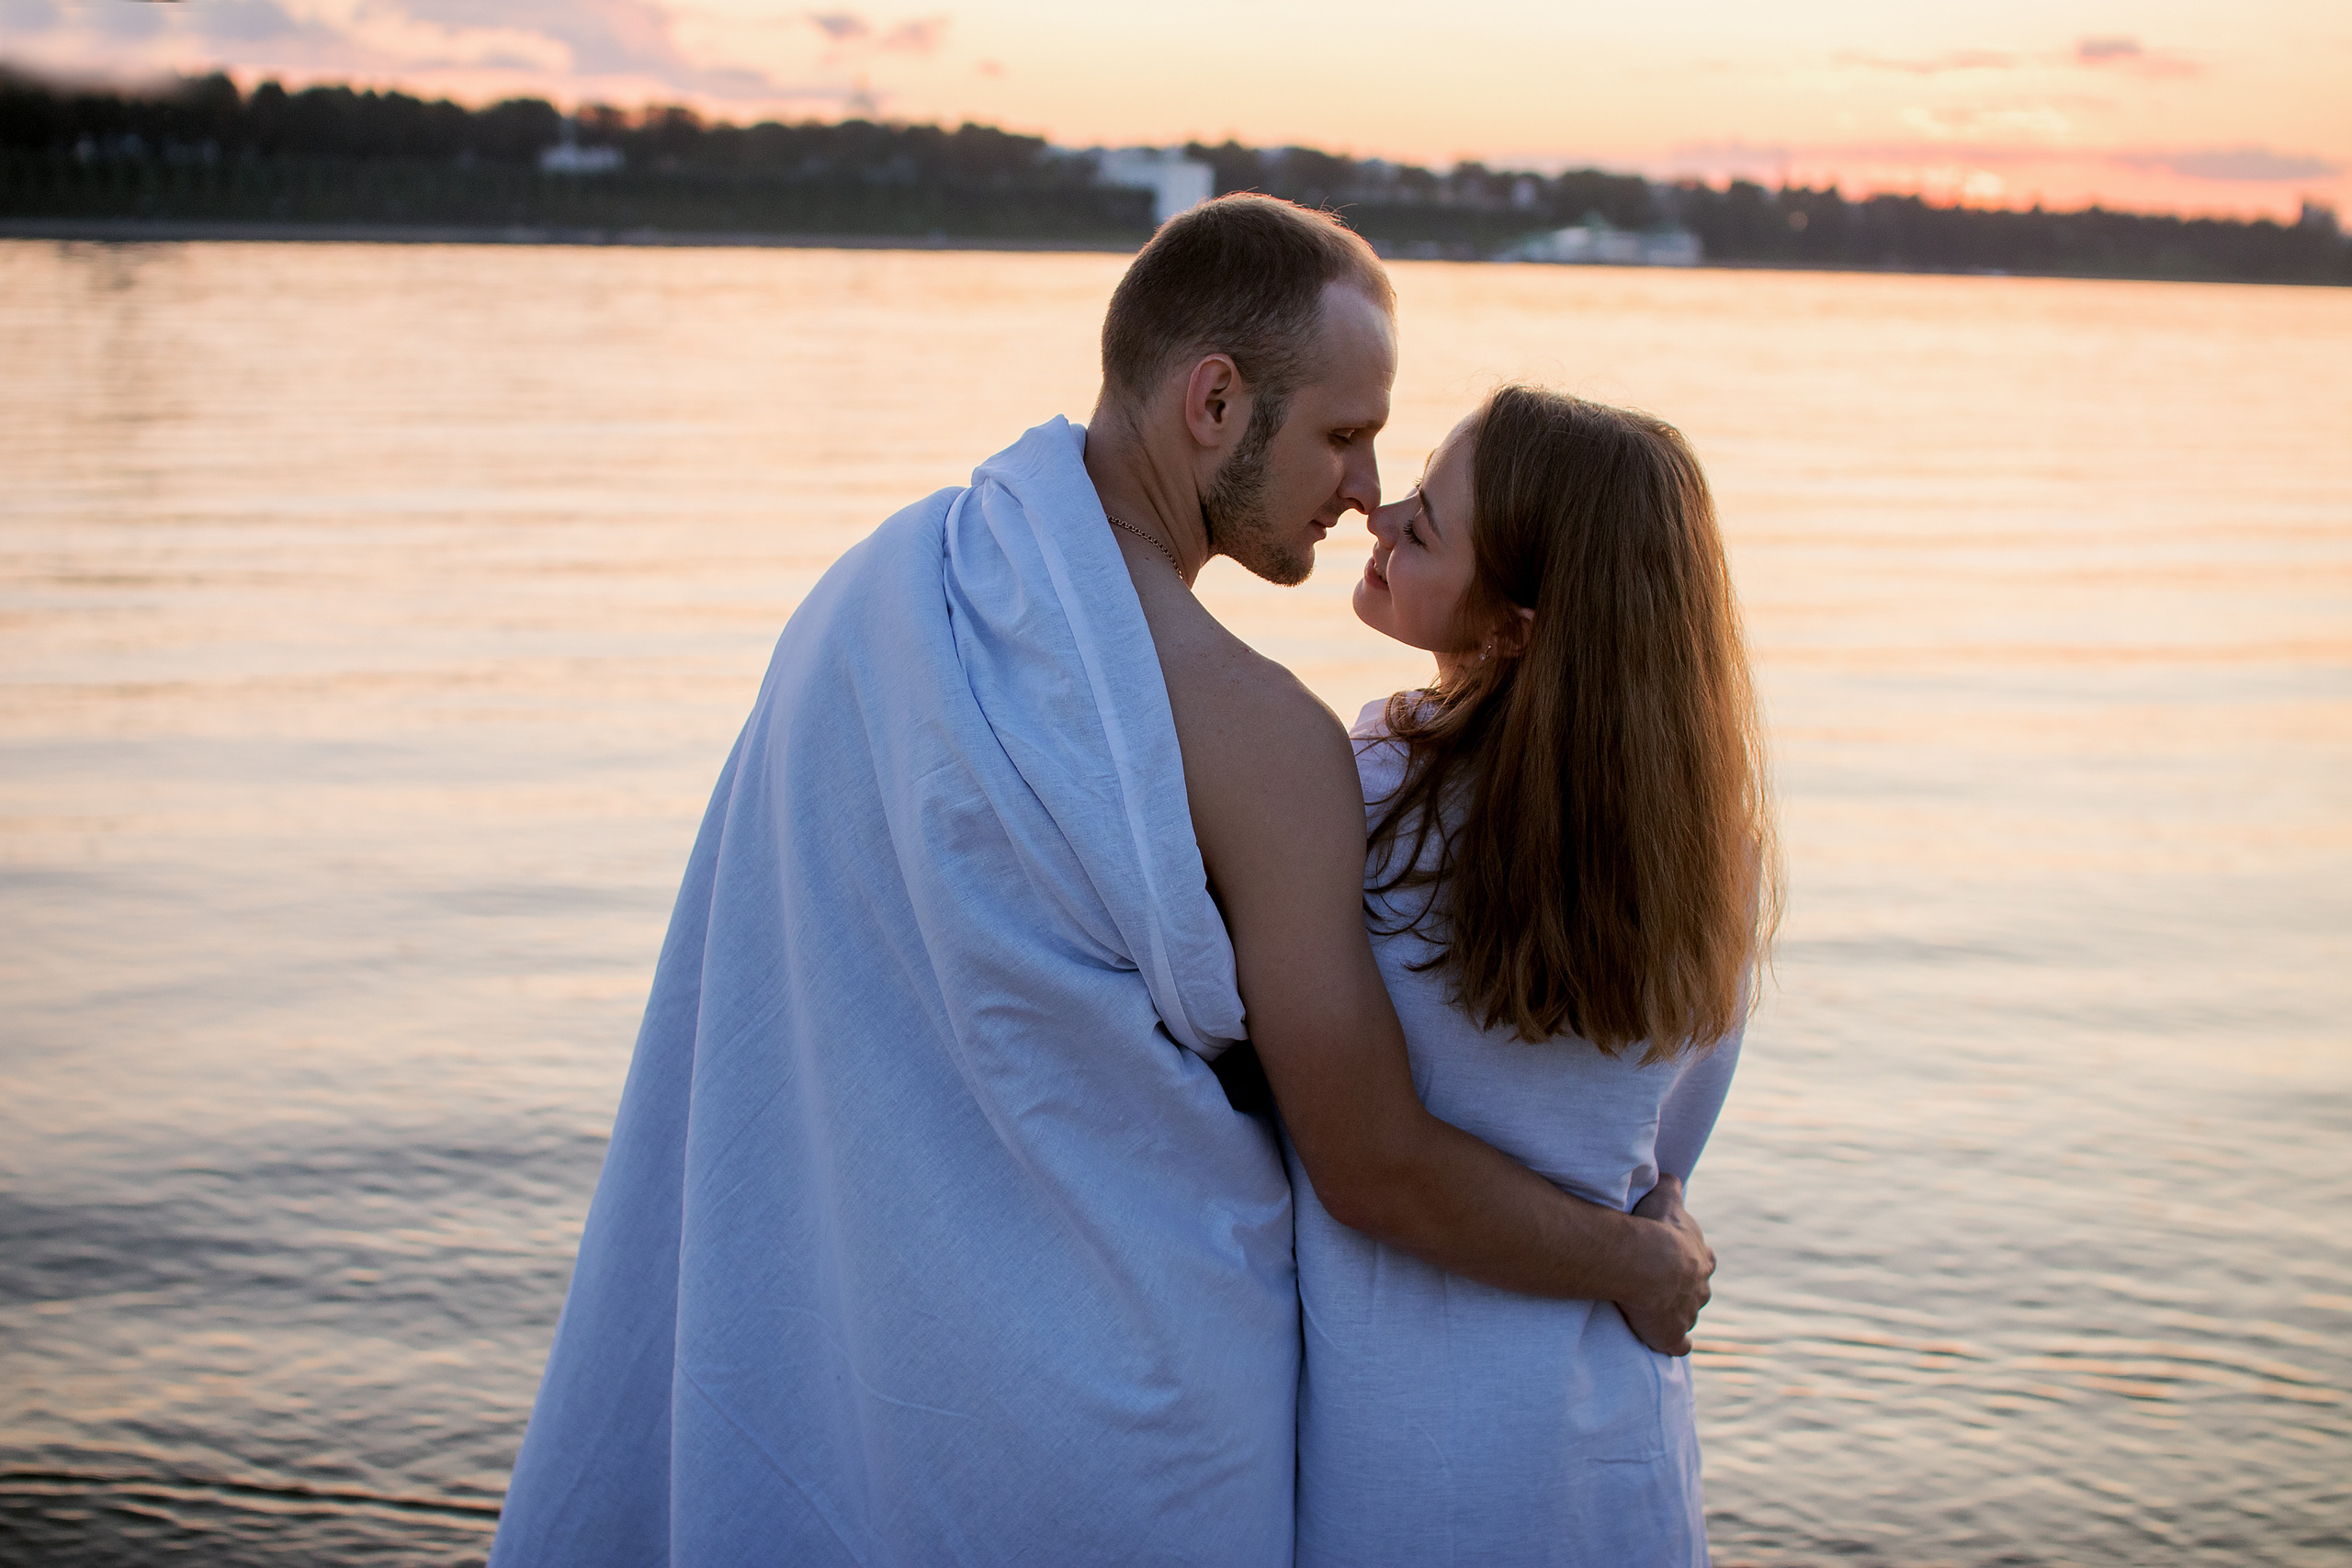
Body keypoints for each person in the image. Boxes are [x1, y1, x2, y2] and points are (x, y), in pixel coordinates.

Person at [490, 197, 1715, 1567]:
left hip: (860, 1330)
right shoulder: (1270, 745)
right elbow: (1368, 1155)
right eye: (1343, 433)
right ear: (1213, 402)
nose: (1367, 486)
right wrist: (1638, 1257)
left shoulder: (883, 583)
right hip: (1138, 1400)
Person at [1289, 385, 1777, 1567]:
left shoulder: (1350, 803)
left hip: (1402, 1451)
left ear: (1514, 625)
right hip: (1616, 1444)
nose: (1381, 514)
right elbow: (1659, 1171)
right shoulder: (1710, 854)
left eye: (1427, 523)